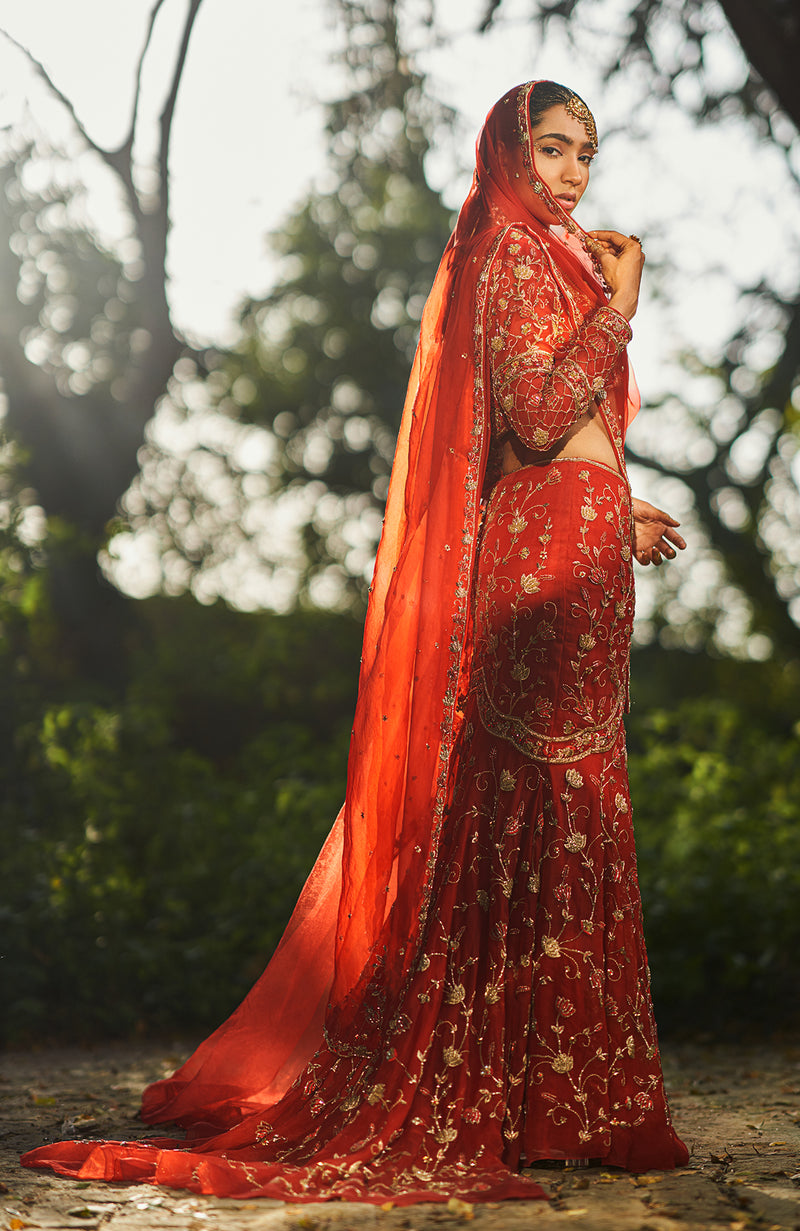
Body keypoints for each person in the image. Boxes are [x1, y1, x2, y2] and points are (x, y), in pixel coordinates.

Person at [23, 80, 689, 1205]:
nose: (574, 172)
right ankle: (523, 1091)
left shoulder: (540, 258)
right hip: (542, 562)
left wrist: (612, 502)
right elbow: (534, 410)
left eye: (587, 152)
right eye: (553, 148)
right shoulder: (512, 256)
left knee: (564, 805)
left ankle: (549, 1094)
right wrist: (620, 306)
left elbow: (530, 435)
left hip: (574, 544)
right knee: (539, 804)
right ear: (506, 152)